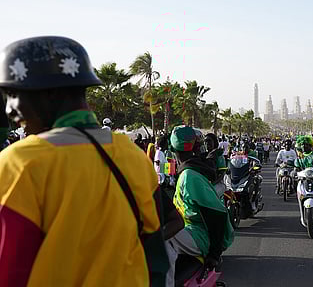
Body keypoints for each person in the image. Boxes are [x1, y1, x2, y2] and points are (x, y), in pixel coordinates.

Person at [0, 36, 162, 286]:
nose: (10, 110)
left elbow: (9, 271)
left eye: (13, 94)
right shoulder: (134, 157)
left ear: (50, 92)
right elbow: (155, 257)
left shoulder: (20, 162)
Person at [165, 125, 234, 287]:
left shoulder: (189, 176)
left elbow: (217, 215)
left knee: (161, 237)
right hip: (192, 234)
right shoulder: (190, 171)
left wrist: (214, 255)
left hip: (198, 237)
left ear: (174, 149)